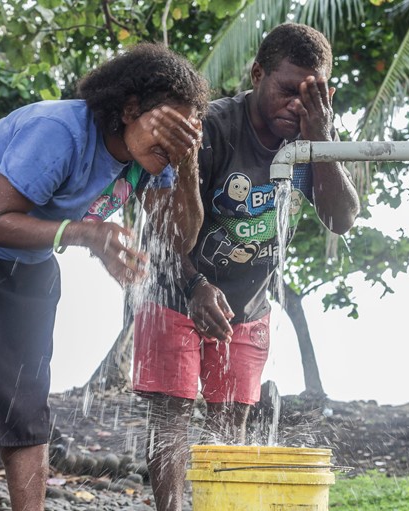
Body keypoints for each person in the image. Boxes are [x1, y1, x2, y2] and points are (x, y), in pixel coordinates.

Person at [0, 42, 209, 511]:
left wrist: (188, 163)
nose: (171, 145)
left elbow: (179, 238)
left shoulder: (156, 161)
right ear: (130, 108)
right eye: (167, 129)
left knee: (26, 399)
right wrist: (86, 235)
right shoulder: (58, 131)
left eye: (184, 134)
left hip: (31, 253)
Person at [132, 23, 361, 511]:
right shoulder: (214, 128)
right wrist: (194, 284)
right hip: (177, 287)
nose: (296, 105)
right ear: (257, 74)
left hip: (248, 303)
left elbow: (340, 218)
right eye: (285, 90)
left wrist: (319, 137)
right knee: (172, 410)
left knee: (230, 420)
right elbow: (165, 227)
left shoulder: (309, 137)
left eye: (310, 93)